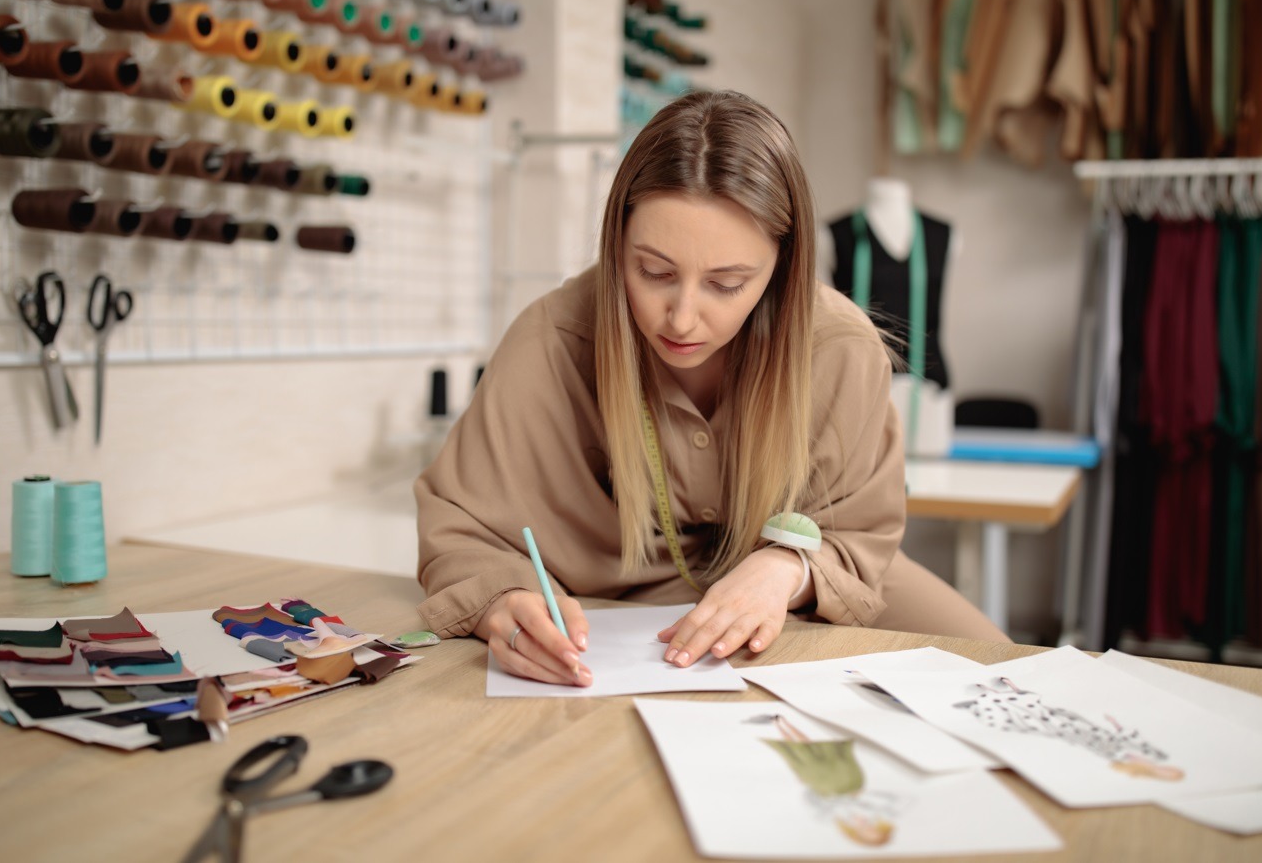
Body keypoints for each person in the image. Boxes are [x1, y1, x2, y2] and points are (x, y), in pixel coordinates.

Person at [415, 90, 1008, 688]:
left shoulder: (841, 350)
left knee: (1009, 678)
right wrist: (504, 602)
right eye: (654, 272)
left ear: (782, 265)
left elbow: (859, 532)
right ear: (616, 243)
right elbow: (462, 526)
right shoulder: (552, 340)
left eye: (727, 283)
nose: (680, 319)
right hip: (605, 612)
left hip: (813, 590)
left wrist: (785, 569)